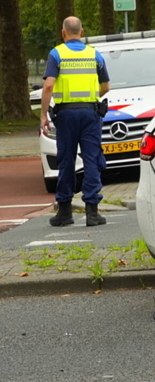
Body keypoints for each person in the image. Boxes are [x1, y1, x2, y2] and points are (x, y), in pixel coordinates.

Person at [38, 17, 110, 227]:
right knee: (91, 160)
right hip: (90, 113)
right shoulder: (94, 54)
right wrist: (88, 96)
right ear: (82, 31)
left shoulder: (56, 54)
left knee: (67, 161)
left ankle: (65, 212)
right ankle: (92, 212)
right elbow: (106, 87)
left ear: (63, 33)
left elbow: (48, 87)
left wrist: (43, 115)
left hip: (66, 115)